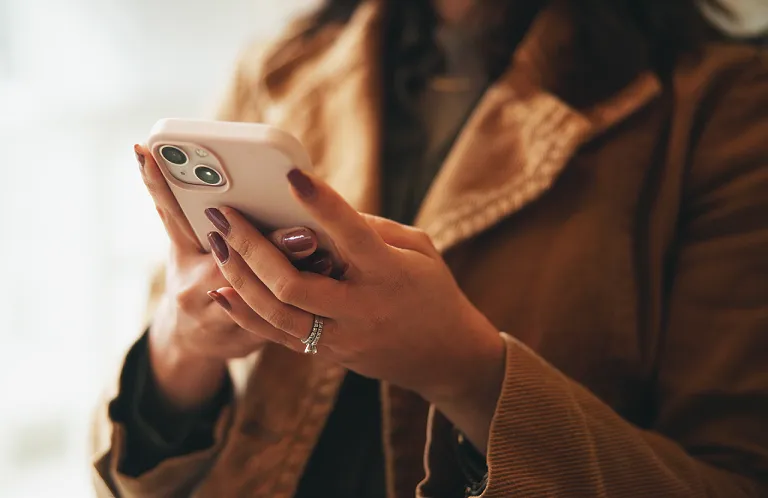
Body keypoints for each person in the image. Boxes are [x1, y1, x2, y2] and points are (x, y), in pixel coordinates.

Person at [91, 0, 768, 496]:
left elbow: (736, 477)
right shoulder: (283, 67)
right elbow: (131, 473)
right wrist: (183, 345)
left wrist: (464, 370)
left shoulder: (724, 107)